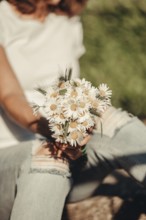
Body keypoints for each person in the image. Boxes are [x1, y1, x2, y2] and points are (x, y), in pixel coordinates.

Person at [0, 0, 146, 220]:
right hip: (10, 158)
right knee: (47, 156)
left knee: (112, 121)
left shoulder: (67, 20)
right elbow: (10, 95)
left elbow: (70, 87)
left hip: (68, 169)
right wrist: (54, 128)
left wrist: (84, 119)